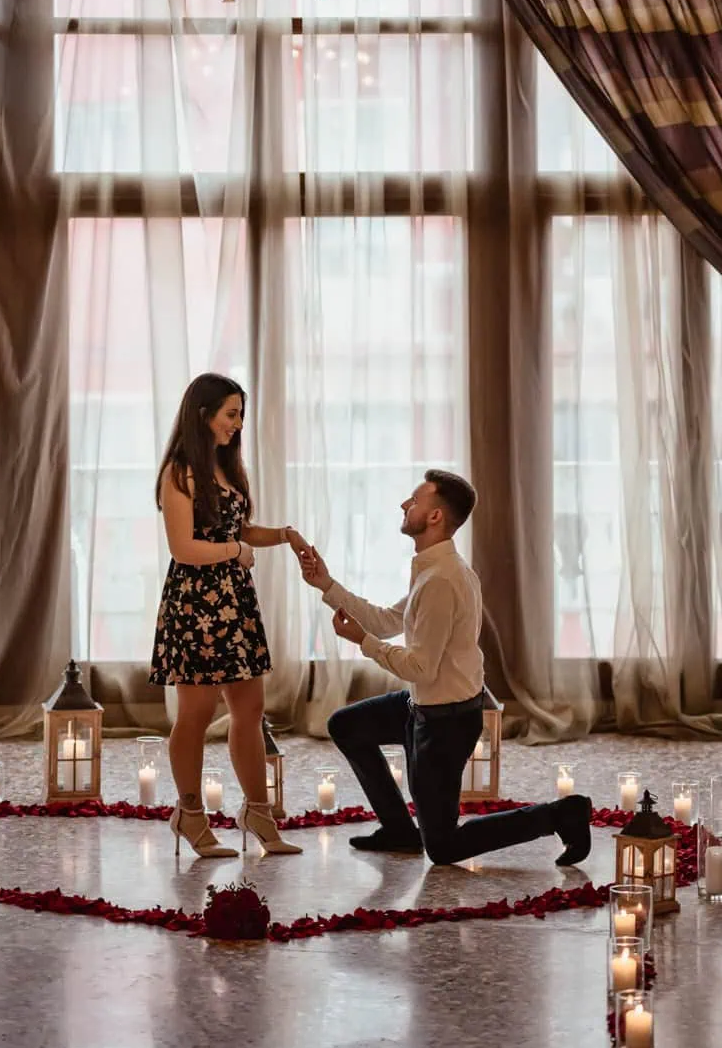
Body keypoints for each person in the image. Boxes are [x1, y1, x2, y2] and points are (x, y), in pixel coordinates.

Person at [298, 470, 592, 867]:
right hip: (423, 707)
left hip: (445, 725)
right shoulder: (432, 569)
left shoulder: (442, 579)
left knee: (443, 848)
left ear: (435, 516)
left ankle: (561, 814)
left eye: (414, 501)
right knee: (346, 725)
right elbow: (388, 619)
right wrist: (326, 585)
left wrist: (362, 643)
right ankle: (400, 831)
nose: (405, 505)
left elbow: (419, 667)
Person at [151, 372, 304, 860]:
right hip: (196, 604)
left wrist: (281, 535)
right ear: (204, 415)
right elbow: (184, 547)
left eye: (240, 414)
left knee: (250, 711)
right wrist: (236, 548)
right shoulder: (180, 472)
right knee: (196, 715)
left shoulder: (228, 468)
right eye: (231, 414)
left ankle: (257, 810)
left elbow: (240, 529)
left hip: (234, 601)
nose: (238, 425)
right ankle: (190, 814)